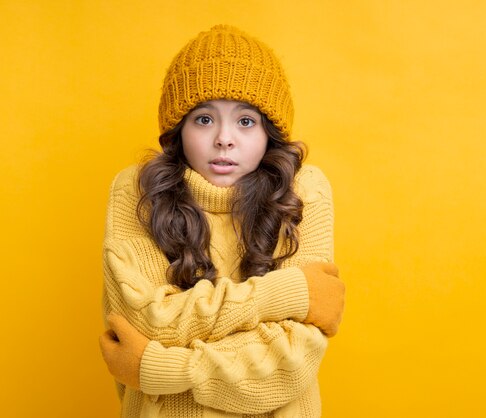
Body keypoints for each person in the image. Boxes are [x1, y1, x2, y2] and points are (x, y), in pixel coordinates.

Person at [99, 25, 345, 417]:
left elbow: (295, 358)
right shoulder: (136, 190)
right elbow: (146, 322)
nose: (224, 139)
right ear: (178, 130)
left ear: (270, 133)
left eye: (246, 121)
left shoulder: (303, 190)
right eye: (203, 119)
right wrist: (292, 291)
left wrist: (160, 368)